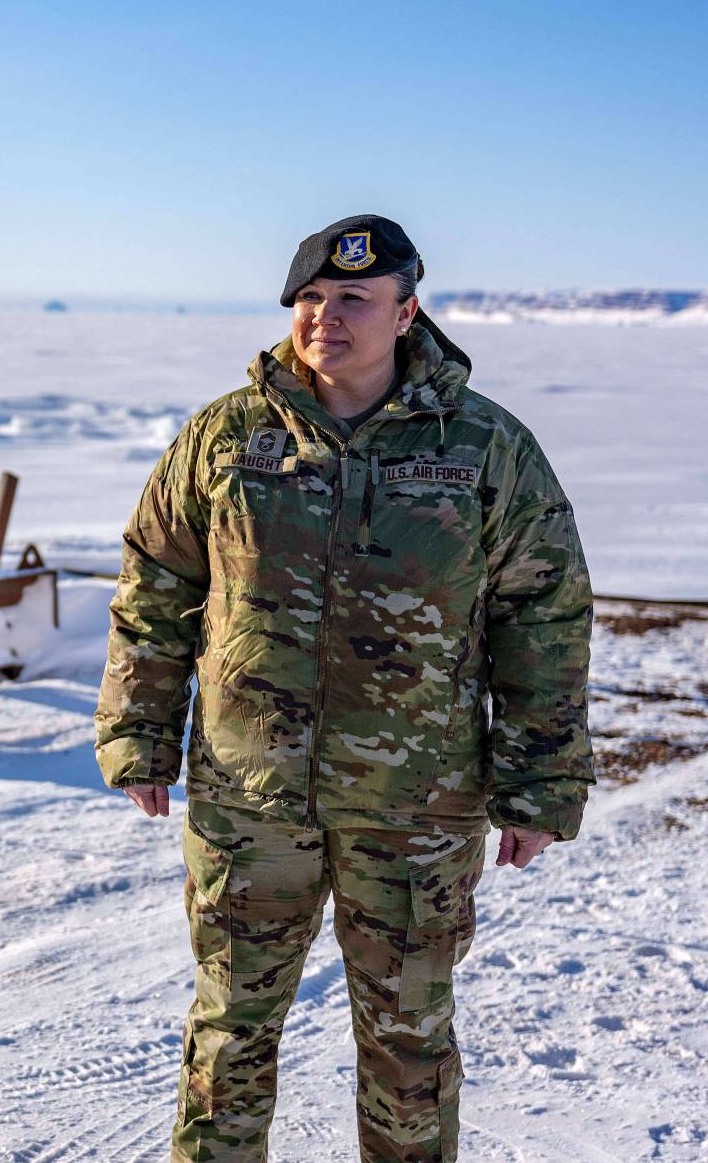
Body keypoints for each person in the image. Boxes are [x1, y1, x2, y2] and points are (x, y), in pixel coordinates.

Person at [94, 214, 593, 1161]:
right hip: (250, 798)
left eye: (354, 298)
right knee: (229, 1033)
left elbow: (545, 615)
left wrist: (542, 781)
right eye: (311, 298)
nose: (325, 315)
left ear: (406, 313)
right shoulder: (227, 436)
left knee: (408, 1046)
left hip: (417, 807)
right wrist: (139, 731)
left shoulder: (483, 447)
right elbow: (155, 584)